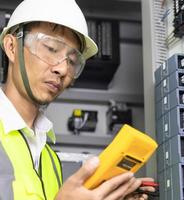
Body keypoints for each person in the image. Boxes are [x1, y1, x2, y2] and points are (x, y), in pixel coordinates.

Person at [0, 0, 155, 199]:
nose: (63, 69)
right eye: (51, 48)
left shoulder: (50, 160)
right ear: (12, 47)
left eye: (72, 61)